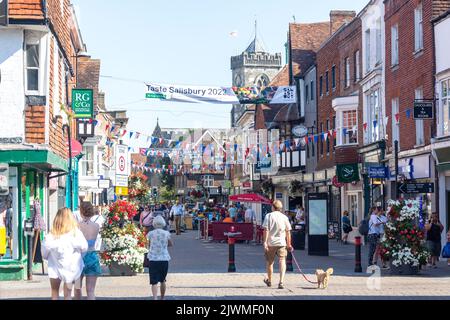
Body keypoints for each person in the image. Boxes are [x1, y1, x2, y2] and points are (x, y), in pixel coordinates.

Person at [41, 208, 88, 300]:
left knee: (54, 292)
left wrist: (50, 257)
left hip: (55, 267)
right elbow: (84, 248)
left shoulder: (51, 236)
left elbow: (44, 253)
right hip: (75, 268)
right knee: (74, 291)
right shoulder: (77, 234)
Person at [262, 200, 293, 290]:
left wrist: (265, 242)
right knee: (282, 261)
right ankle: (281, 282)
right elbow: (288, 232)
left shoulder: (269, 216)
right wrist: (289, 244)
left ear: (273, 207)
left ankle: (270, 280)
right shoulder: (284, 217)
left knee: (270, 262)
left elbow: (266, 230)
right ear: (280, 208)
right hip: (282, 243)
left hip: (271, 243)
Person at [74, 202, 101, 300]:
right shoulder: (96, 226)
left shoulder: (77, 226)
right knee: (90, 290)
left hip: (79, 257)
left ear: (81, 211)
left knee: (77, 288)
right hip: (92, 256)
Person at [146, 215, 173, 300]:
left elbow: (149, 245)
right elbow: (171, 244)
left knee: (154, 281)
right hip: (164, 259)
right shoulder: (166, 233)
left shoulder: (150, 234)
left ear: (154, 224)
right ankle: (162, 297)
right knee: (163, 280)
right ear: (163, 223)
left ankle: (155, 298)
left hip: (153, 259)